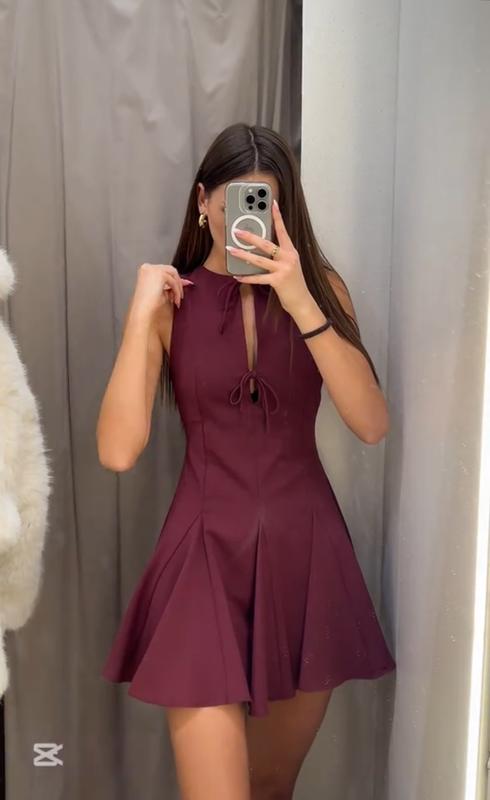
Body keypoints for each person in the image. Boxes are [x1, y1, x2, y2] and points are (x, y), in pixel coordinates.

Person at [96, 122, 396, 800]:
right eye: (234, 202)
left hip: (305, 559)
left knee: (271, 788)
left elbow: (372, 424)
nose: (247, 221)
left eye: (265, 204)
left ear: (285, 212)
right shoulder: (171, 304)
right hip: (202, 558)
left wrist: (300, 298)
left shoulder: (321, 290)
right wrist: (139, 319)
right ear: (203, 202)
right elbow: (117, 450)